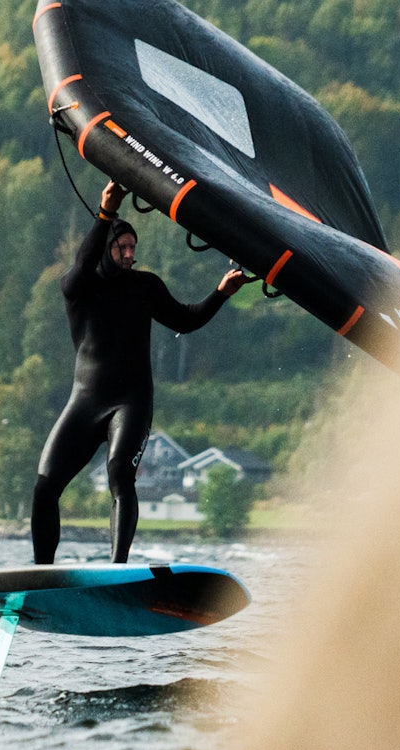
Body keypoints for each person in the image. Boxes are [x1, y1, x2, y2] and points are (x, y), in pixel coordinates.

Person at [31, 181, 252, 564]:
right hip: (84, 403)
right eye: (122, 247)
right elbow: (82, 264)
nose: (130, 254)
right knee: (45, 486)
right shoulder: (79, 287)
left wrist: (220, 293)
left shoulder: (145, 287)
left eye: (133, 248)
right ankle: (41, 573)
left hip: (130, 403)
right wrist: (105, 214)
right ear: (106, 248)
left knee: (120, 474)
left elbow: (186, 319)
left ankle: (118, 568)